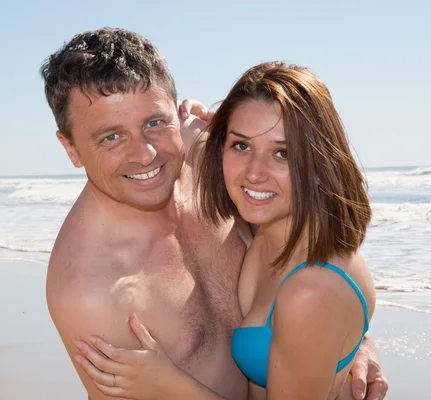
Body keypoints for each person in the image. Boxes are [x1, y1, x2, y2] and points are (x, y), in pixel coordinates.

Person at [40, 28, 388, 400]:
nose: (145, 154)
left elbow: (306, 244)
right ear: (71, 148)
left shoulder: (223, 173)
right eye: (111, 137)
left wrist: (350, 342)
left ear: (174, 110)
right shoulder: (93, 292)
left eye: (154, 123)